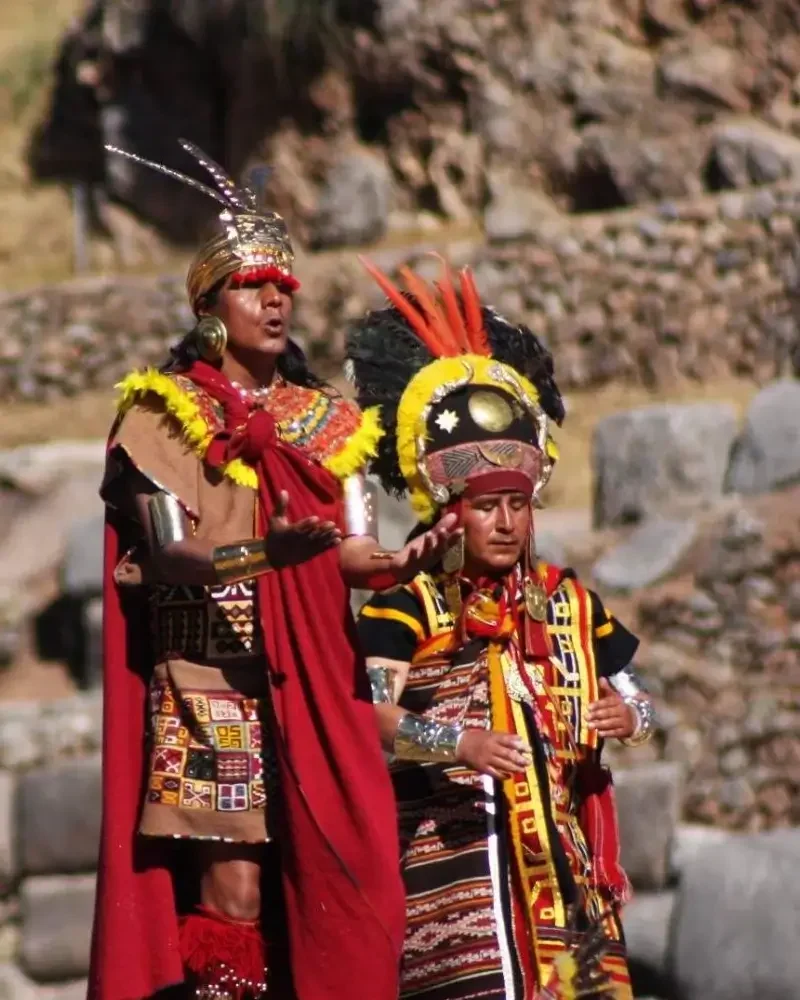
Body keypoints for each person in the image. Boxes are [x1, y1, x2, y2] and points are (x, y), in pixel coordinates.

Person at [89, 140, 458, 1000]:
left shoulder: (326, 419)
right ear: (211, 305)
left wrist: (403, 561)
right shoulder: (159, 415)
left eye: (283, 289)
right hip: (207, 672)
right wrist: (266, 555)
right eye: (255, 288)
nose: (274, 303)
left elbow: (353, 554)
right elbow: (170, 554)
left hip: (313, 675)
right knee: (238, 893)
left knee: (332, 882)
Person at [346, 259, 656, 1000]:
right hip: (457, 882)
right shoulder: (406, 602)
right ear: (451, 505)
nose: (508, 522)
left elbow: (637, 697)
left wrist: (630, 716)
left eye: (519, 503)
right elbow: (366, 716)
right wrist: (460, 743)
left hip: (569, 879)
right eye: (488, 506)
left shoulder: (568, 603)